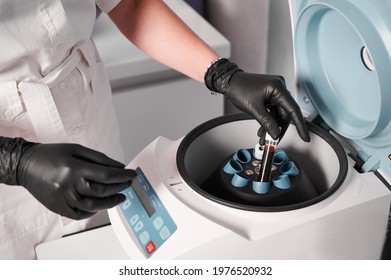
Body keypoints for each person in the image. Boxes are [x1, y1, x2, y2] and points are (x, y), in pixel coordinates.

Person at [0, 0, 310, 259]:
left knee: (112, 246)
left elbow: (129, 4)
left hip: (84, 103)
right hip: (10, 183)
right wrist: (17, 163)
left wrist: (223, 74)